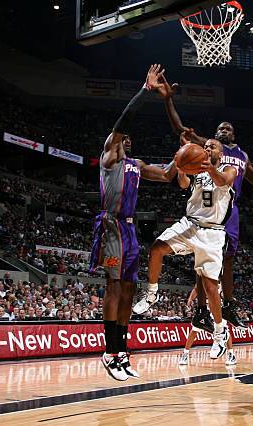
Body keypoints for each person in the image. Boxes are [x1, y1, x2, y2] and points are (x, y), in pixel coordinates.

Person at [134, 76, 253, 332]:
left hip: (229, 207)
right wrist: (169, 100)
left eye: (227, 128)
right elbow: (180, 129)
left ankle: (226, 306)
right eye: (220, 128)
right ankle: (202, 310)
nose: (223, 130)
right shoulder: (207, 149)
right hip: (208, 209)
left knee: (226, 260)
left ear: (234, 134)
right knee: (208, 259)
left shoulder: (241, 156)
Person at [89, 64, 179, 382]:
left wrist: (187, 150)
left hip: (130, 229)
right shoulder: (109, 157)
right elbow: (123, 120)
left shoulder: (137, 164)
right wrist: (146, 90)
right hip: (111, 227)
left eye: (128, 139)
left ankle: (121, 351)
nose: (125, 139)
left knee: (129, 288)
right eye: (121, 137)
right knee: (113, 286)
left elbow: (169, 174)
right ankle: (108, 351)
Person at [144, 138, 237, 360]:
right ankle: (151, 294)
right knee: (156, 248)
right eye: (205, 147)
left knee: (211, 287)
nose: (207, 149)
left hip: (213, 233)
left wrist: (209, 167)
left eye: (212, 147)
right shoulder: (198, 172)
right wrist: (182, 167)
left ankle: (219, 331)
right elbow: (184, 184)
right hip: (190, 224)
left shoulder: (228, 168)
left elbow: (224, 181)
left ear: (220, 154)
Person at [178, 286, 237, 366]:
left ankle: (231, 354)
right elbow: (196, 288)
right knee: (195, 329)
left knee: (224, 330)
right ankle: (185, 354)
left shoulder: (218, 281)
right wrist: (190, 299)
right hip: (205, 309)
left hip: (217, 309)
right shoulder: (203, 278)